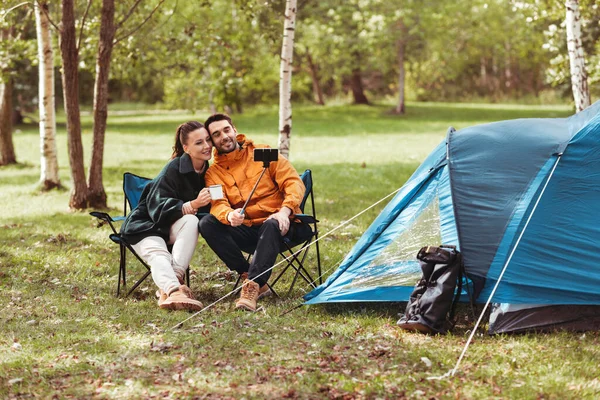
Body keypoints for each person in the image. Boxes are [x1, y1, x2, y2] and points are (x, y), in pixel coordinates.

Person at [199, 113, 306, 312]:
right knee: (206, 223)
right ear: (212, 141)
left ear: (234, 130)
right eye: (216, 134)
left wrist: (284, 211)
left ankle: (252, 289)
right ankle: (250, 277)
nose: (224, 136)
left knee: (271, 223)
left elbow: (293, 182)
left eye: (226, 130)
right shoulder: (213, 173)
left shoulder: (264, 151)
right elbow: (218, 203)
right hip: (247, 229)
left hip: (279, 225)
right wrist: (229, 215)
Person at [120, 121, 213, 311]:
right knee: (159, 253)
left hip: (169, 226)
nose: (207, 146)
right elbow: (157, 206)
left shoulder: (206, 170)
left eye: (208, 140)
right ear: (186, 148)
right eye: (199, 143)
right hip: (145, 225)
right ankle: (173, 291)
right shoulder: (174, 168)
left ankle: (174, 279)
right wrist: (194, 204)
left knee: (191, 220)